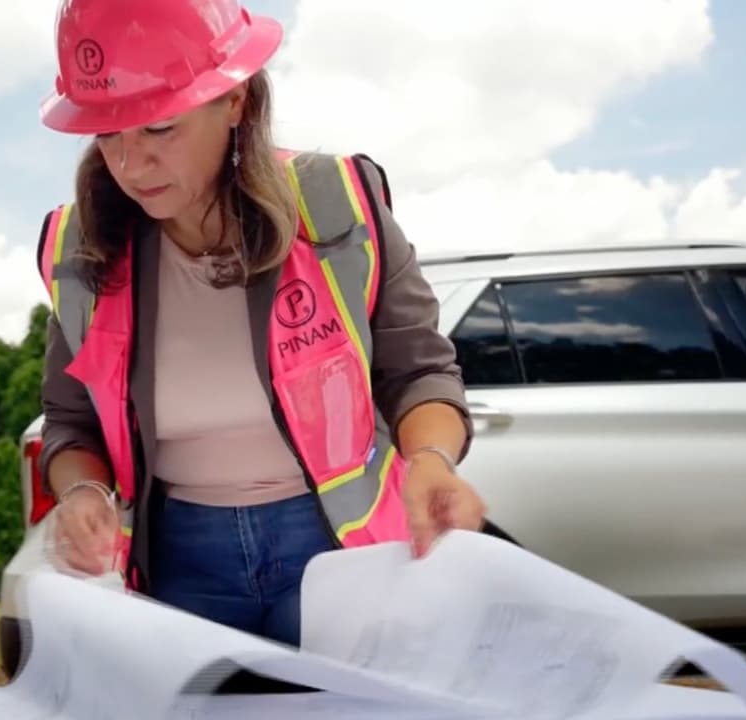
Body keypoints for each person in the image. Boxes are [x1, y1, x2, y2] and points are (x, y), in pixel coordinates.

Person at [31, 0, 487, 647]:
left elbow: (417, 372)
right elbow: (71, 423)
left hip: (337, 551)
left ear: (236, 100)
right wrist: (82, 492)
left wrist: (433, 460)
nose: (131, 166)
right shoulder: (81, 254)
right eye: (109, 134)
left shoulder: (335, 204)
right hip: (180, 561)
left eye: (159, 129)